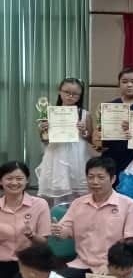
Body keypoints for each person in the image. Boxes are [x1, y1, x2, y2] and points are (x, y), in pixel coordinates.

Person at [52, 156, 133, 278]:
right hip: (81, 264)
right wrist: (59, 232)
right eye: (91, 177)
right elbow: (65, 231)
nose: (95, 182)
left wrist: (111, 265)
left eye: (100, 177)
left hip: (113, 267)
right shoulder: (78, 203)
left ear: (112, 179)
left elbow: (130, 243)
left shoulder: (129, 205)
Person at [35, 76, 94, 205]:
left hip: (77, 157)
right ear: (59, 91)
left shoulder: (85, 114)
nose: (70, 96)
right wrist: (43, 130)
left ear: (80, 95)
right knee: (56, 193)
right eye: (67, 92)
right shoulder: (49, 113)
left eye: (75, 94)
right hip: (56, 156)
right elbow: (44, 141)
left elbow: (92, 140)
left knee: (78, 197)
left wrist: (84, 131)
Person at [0, 161, 50, 278]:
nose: (14, 183)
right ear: (1, 181)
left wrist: (32, 235)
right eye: (9, 178)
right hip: (1, 261)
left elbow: (44, 243)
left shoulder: (40, 204)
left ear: (26, 181)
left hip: (28, 264)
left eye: (19, 178)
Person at [101, 66, 133, 174]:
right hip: (114, 156)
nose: (129, 85)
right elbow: (103, 136)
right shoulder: (110, 106)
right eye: (124, 81)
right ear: (119, 84)